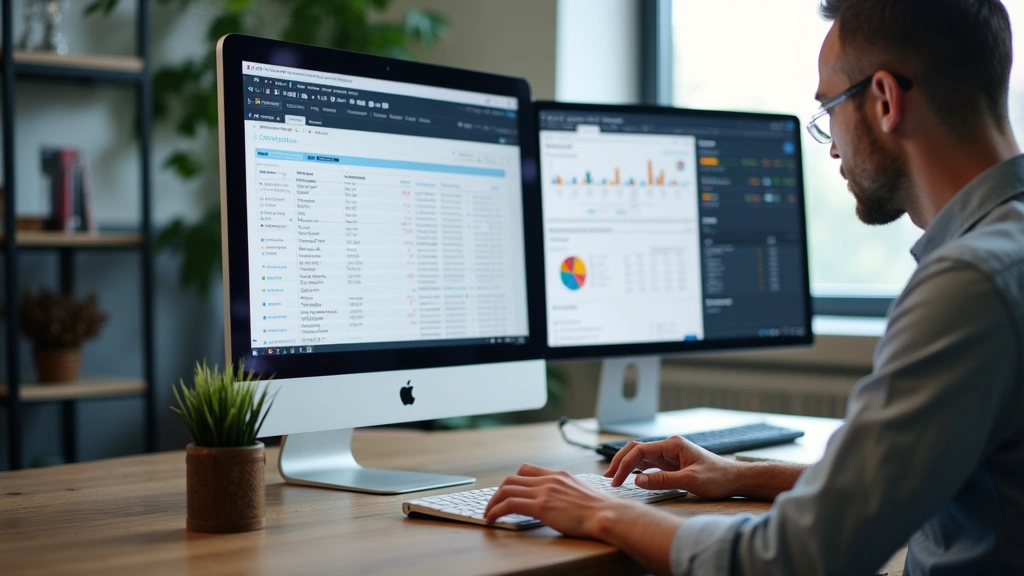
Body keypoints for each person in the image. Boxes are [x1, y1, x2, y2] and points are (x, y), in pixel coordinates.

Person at [484, 0, 1024, 574]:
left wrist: (603, 511)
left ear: (886, 100)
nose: (832, 144)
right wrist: (742, 474)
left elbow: (792, 557)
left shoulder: (967, 286)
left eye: (830, 109)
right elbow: (913, 479)